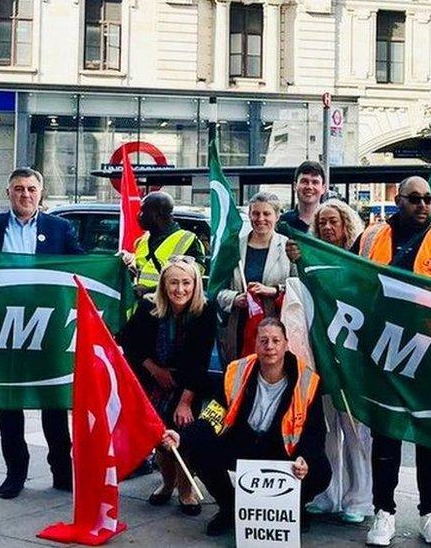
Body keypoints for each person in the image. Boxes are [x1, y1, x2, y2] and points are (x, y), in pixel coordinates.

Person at [352, 176, 431, 546]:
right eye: (415, 199)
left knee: (430, 433)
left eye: (428, 199)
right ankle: (384, 511)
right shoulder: (372, 237)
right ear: (398, 199)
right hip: (385, 349)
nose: (423, 205)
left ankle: (429, 511)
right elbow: (351, 282)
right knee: (386, 433)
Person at [173, 317, 331, 536]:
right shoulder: (236, 371)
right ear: (255, 344)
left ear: (286, 344)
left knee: (321, 470)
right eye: (263, 340)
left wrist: (305, 457)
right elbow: (212, 417)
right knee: (199, 448)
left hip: (283, 451)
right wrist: (182, 437)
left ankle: (291, 508)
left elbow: (315, 432)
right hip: (244, 442)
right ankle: (229, 508)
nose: (270, 347)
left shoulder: (308, 380)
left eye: (276, 341)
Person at [0, 168, 81, 500]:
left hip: (48, 328)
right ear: (8, 192)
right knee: (9, 402)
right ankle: (15, 474)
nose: (25, 194)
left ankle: (61, 471)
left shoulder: (59, 228)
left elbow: (81, 267)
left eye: (30, 189)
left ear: (40, 193)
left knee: (52, 402)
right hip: (3, 328)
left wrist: (117, 263)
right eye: (18, 189)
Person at [117, 257, 216, 516]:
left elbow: (200, 361)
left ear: (195, 285)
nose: (180, 289)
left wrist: (185, 402)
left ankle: (186, 488)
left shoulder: (204, 312)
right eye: (173, 283)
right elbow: (128, 340)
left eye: (186, 283)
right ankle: (166, 482)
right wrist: (154, 369)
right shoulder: (148, 307)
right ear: (164, 285)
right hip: (153, 380)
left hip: (187, 384)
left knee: (181, 430)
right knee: (158, 433)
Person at [299, 199, 373, 524]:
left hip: (355, 358)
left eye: (334, 222)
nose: (328, 228)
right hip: (324, 355)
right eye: (323, 222)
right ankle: (329, 493)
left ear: (346, 225)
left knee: (357, 431)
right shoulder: (310, 259)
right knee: (328, 431)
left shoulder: (361, 258)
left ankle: (361, 498)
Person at [216, 192, 295, 362]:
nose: (260, 219)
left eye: (266, 214)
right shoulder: (234, 247)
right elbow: (217, 290)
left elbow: (299, 289)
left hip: (276, 326)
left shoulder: (288, 246)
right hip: (238, 326)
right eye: (255, 213)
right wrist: (235, 298)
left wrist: (274, 290)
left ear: (277, 216)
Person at [124, 191, 205, 297]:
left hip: (170, 309)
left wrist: (150, 291)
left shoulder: (189, 241)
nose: (139, 215)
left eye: (144, 211)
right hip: (142, 307)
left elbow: (192, 281)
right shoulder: (142, 240)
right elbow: (139, 272)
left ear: (158, 214)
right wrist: (125, 263)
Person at [278, 161, 326, 234]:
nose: (309, 187)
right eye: (304, 181)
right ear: (295, 186)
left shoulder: (330, 223)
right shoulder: (282, 223)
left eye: (315, 182)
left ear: (323, 188)